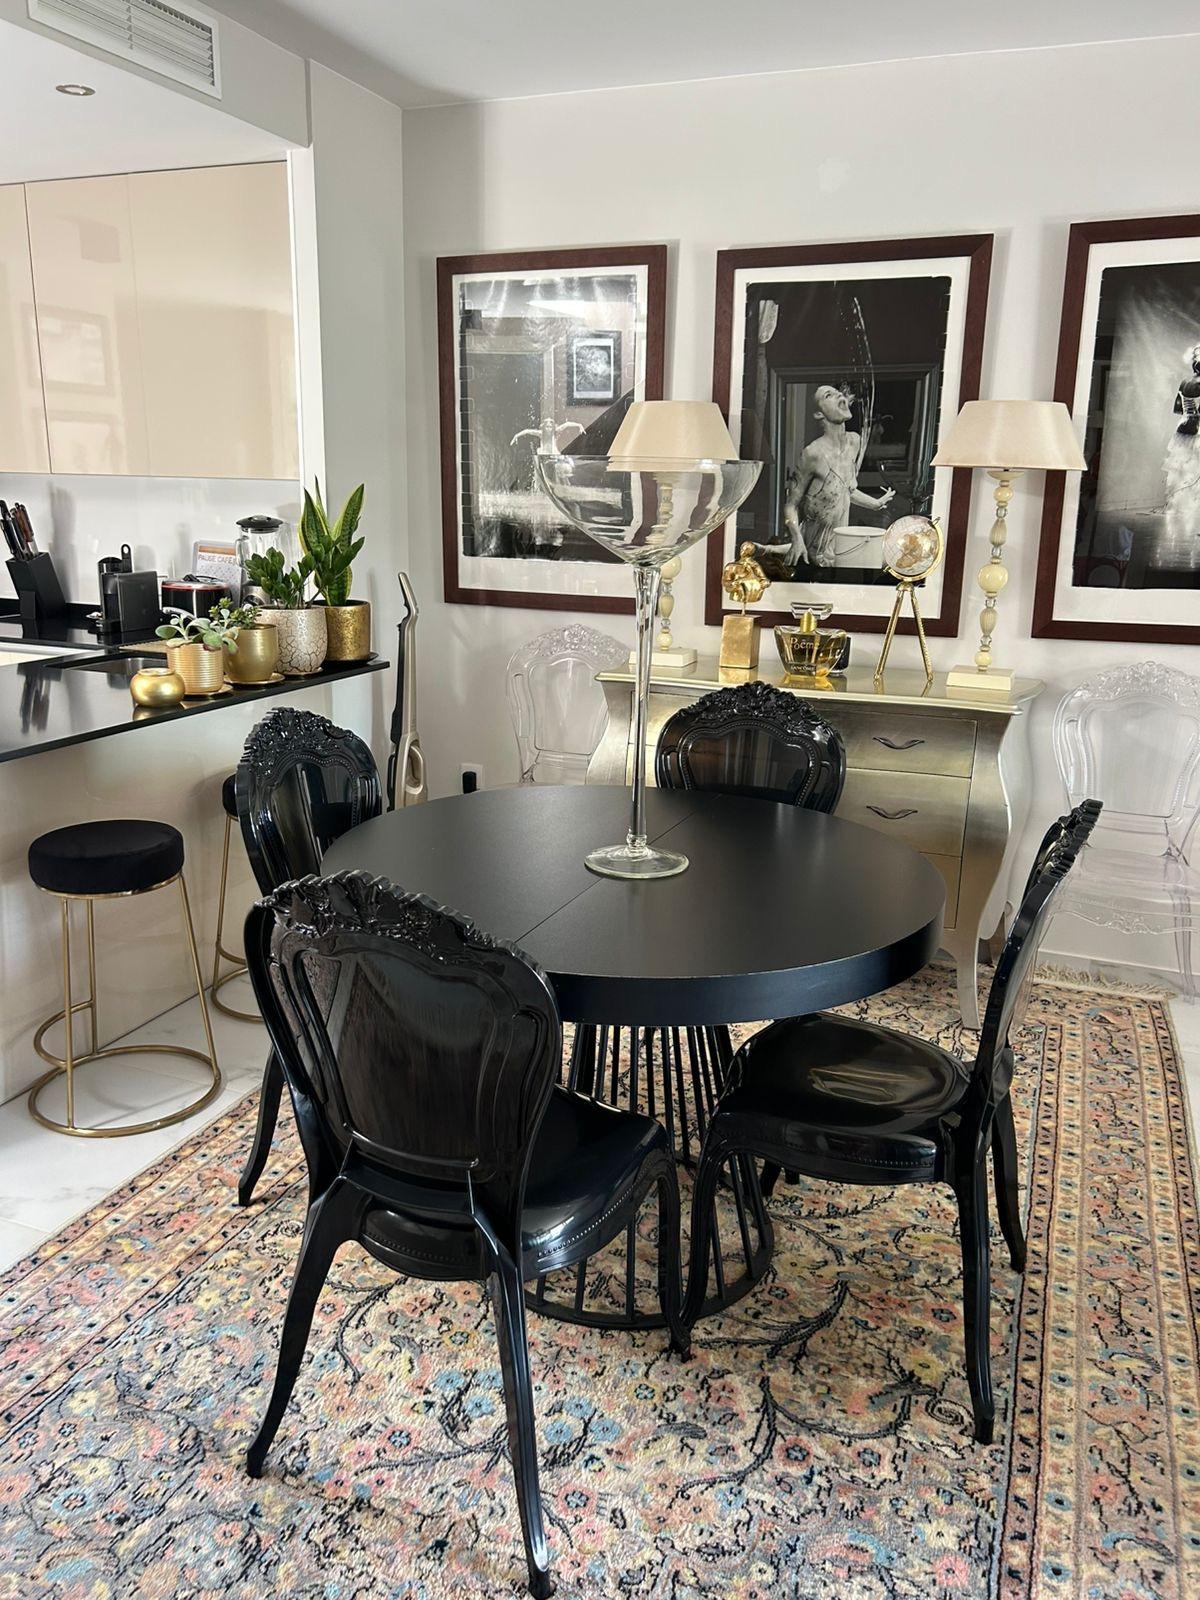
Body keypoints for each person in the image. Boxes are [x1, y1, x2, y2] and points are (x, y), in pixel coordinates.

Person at [781, 384, 894, 567]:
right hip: (812, 552)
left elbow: (845, 490)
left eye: (838, 393)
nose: (839, 395)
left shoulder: (854, 442)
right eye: (828, 395)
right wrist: (797, 540)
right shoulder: (812, 454)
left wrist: (876, 504)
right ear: (819, 414)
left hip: (841, 547)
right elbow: (791, 505)